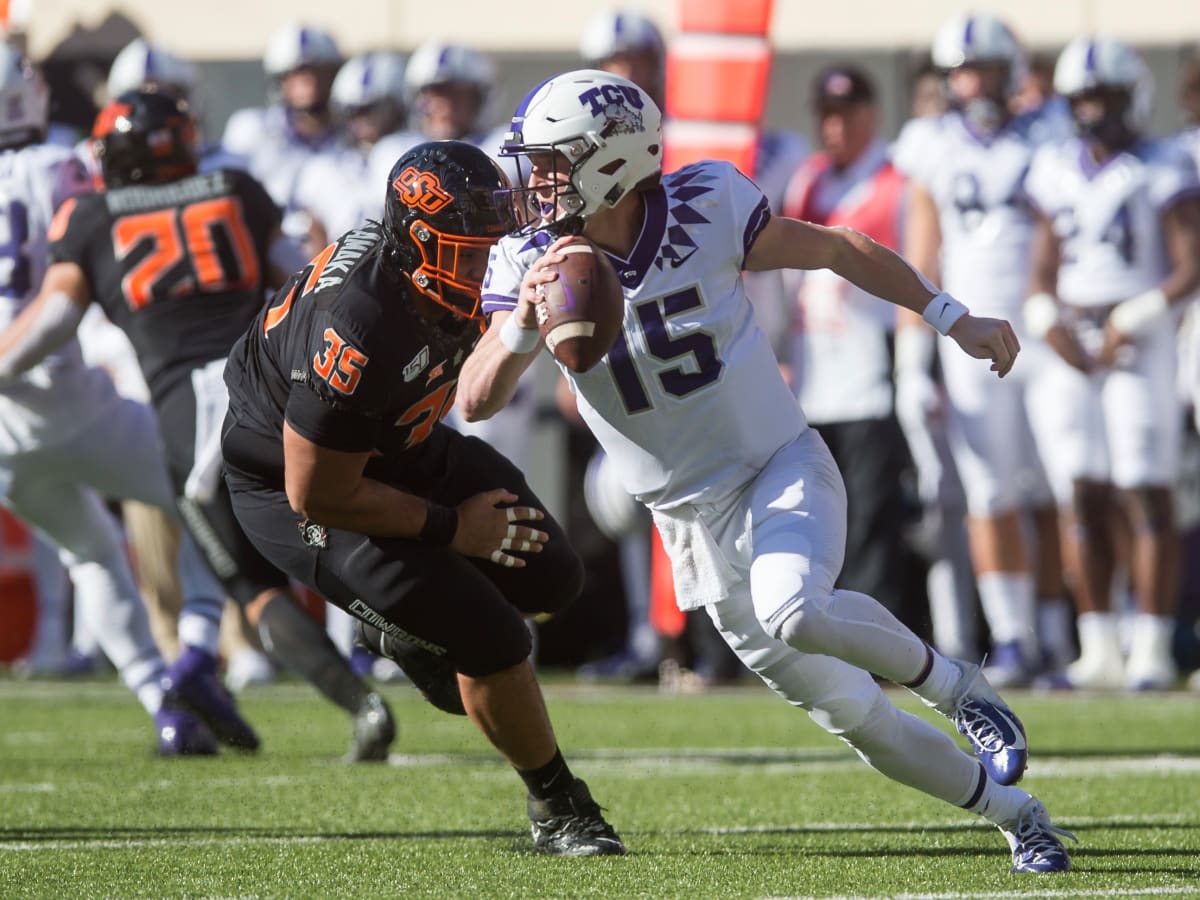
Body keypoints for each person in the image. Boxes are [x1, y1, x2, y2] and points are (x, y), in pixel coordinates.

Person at [459, 68, 1075, 874]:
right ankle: (1018, 816)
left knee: (793, 609)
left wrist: (951, 318)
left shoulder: (706, 204)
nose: (535, 180)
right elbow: (475, 398)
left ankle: (960, 688)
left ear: (608, 160)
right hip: (689, 524)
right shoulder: (528, 261)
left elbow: (834, 248)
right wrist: (520, 332)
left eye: (551, 160)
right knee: (856, 716)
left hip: (777, 466)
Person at [219, 139, 625, 857]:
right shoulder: (362, 326)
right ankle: (560, 806)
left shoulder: (435, 275)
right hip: (294, 487)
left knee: (553, 575)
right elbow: (315, 490)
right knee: (494, 639)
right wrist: (449, 528)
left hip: (397, 441)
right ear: (418, 242)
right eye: (465, 251)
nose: (482, 265)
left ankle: (407, 629)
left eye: (486, 247)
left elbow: (474, 384)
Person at [0, 90, 395, 761]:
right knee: (337, 530)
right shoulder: (235, 187)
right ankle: (385, 649)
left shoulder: (95, 214)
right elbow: (303, 282)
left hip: (183, 418)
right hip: (267, 392)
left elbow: (55, 320)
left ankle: (327, 700)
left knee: (248, 578)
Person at [0, 45, 214, 753]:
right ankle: (202, 651)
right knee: (208, 494)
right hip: (72, 396)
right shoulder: (60, 165)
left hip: (5, 436)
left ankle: (162, 700)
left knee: (92, 553)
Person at [894, 13, 1074, 686]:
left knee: (1057, 484)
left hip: (1047, 337)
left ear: (1013, 72)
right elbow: (919, 253)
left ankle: (1061, 634)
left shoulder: (1051, 132)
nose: (975, 84)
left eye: (988, 70)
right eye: (963, 72)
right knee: (989, 490)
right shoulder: (930, 144)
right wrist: (910, 359)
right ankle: (1018, 637)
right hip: (967, 339)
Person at [1024, 37, 1200, 690]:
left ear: (1133, 98)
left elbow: (1191, 261)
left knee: (1145, 487)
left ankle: (1150, 644)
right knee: (1082, 490)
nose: (1094, 111)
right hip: (1074, 339)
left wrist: (1134, 317)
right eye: (1085, 99)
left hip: (1140, 335)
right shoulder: (1054, 167)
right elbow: (1041, 267)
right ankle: (1098, 643)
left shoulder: (1165, 163)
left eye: (1105, 97)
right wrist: (1046, 318)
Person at [779, 64, 922, 629]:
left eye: (845, 114)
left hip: (866, 373)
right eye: (826, 115)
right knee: (820, 519)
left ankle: (882, 641)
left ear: (870, 114)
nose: (834, 128)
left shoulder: (892, 183)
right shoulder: (808, 180)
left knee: (870, 520)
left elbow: (913, 275)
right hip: (814, 375)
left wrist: (911, 369)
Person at [221, 23, 345, 251]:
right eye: (297, 73)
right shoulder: (253, 129)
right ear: (280, 80)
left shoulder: (351, 137)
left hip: (340, 258)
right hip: (267, 249)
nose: (309, 83)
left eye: (318, 71)